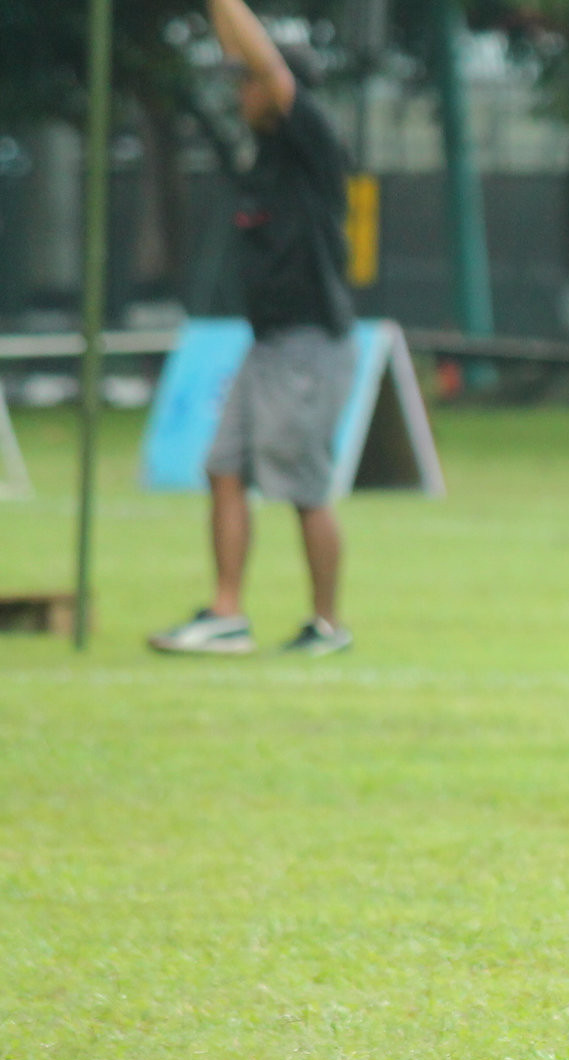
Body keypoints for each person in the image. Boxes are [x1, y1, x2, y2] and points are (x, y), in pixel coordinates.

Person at [150, 0, 355, 657]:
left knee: (300, 487)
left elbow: (264, 62)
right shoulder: (266, 155)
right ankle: (227, 614)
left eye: (247, 85)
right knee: (224, 468)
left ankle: (326, 625)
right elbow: (252, 60)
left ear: (277, 92)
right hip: (264, 343)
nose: (238, 92)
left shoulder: (310, 142)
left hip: (307, 344)